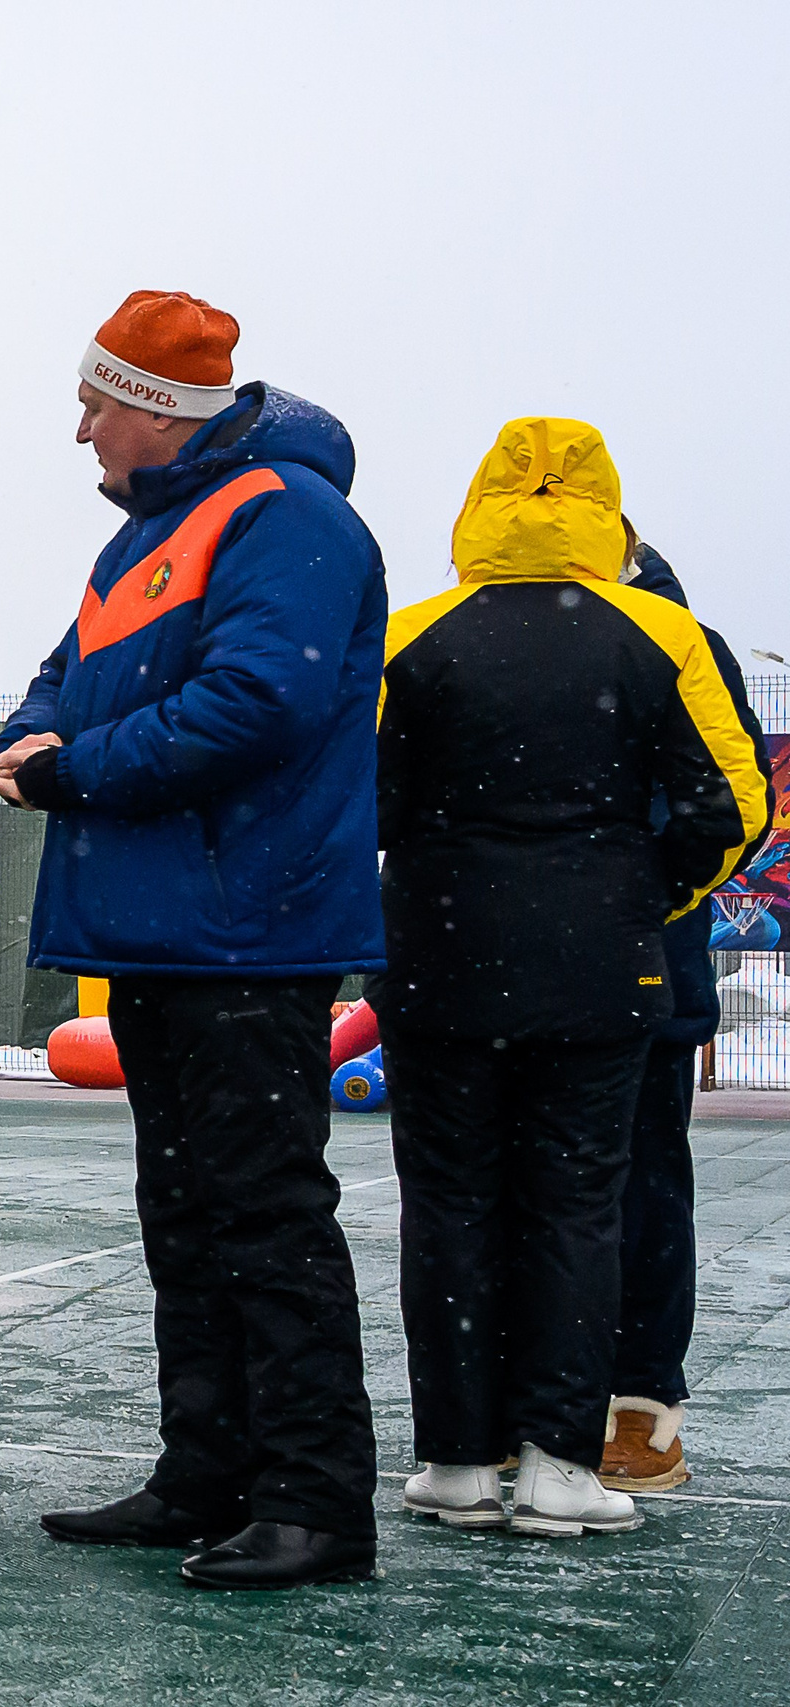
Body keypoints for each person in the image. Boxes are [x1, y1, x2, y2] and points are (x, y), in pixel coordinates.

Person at [0, 291, 386, 1589]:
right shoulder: (141, 540)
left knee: (265, 1216)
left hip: (248, 932)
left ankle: (315, 1502)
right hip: (168, 934)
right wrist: (38, 737)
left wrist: (69, 768)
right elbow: (58, 679)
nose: (81, 430)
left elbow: (256, 701)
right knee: (187, 1215)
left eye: (96, 404)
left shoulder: (287, 516)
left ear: (158, 411)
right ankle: (205, 1473)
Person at [378, 423, 768, 1539]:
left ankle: (458, 1459)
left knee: (449, 1206)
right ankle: (562, 1462)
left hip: (441, 958)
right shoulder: (662, 632)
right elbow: (736, 804)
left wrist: (431, 876)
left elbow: (359, 796)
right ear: (606, 512)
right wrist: (646, 896)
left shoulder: (413, 634)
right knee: (581, 1206)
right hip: (599, 966)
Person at [598, 530, 770, 1493]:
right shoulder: (494, 628)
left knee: (643, 1188)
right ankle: (533, 1397)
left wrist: (629, 901)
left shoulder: (683, 645)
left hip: (636, 974)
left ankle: (643, 1404)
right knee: (523, 1194)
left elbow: (730, 806)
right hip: (518, 968)